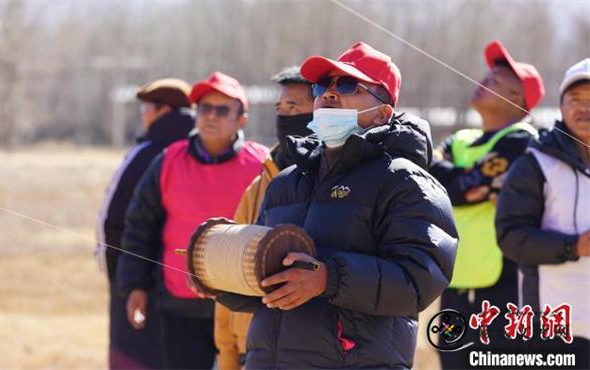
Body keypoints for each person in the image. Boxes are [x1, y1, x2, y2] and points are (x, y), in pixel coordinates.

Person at [211, 41, 458, 369]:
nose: (328, 93)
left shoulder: (407, 183)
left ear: (383, 113)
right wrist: (219, 278)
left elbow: (418, 282)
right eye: (321, 85)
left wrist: (327, 277)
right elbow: (267, 282)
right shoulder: (286, 182)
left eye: (346, 84)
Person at [116, 71, 269, 369]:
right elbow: (140, 226)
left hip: (241, 304)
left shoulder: (262, 164)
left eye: (222, 109)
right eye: (204, 108)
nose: (211, 116)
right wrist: (135, 285)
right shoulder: (168, 160)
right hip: (179, 303)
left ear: (242, 119)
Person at [429, 40, 544, 367]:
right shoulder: (461, 138)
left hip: (503, 285)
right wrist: (467, 183)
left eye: (493, 81)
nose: (482, 82)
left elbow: (464, 188)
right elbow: (430, 181)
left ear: (516, 99)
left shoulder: (522, 140)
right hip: (455, 281)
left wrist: (461, 182)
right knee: (451, 360)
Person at [214, 66, 314, 370]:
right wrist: (228, 353)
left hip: (306, 352)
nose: (284, 117)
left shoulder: (334, 188)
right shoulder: (260, 186)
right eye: (280, 108)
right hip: (252, 351)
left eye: (293, 108)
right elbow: (228, 267)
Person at [496, 58, 590, 368]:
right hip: (554, 329)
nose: (583, 108)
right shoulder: (535, 163)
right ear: (561, 106)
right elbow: (510, 237)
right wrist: (574, 246)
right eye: (574, 99)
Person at [96, 78, 194, 369]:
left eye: (148, 107)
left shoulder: (145, 154)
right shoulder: (199, 150)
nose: (144, 115)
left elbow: (113, 222)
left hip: (140, 282)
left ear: (164, 110)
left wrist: (122, 280)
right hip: (187, 285)